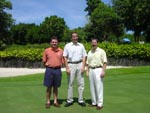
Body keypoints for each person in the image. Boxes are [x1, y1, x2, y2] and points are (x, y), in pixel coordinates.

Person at [63, 32, 87, 107]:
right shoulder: (67, 46)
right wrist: (67, 67)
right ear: (71, 38)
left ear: (77, 37)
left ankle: (81, 100)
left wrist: (83, 66)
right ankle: (69, 100)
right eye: (73, 37)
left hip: (80, 64)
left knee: (81, 83)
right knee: (70, 83)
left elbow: (84, 57)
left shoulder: (81, 45)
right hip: (71, 65)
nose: (75, 38)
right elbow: (65, 57)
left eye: (76, 36)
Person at [42, 36, 64, 108]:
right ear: (50, 43)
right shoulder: (46, 50)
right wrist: (47, 65)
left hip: (57, 70)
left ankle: (55, 101)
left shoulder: (61, 51)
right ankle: (48, 101)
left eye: (55, 42)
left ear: (58, 43)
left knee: (56, 87)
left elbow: (63, 61)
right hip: (49, 70)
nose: (54, 43)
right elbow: (44, 61)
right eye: (53, 42)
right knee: (49, 87)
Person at [86, 38, 107, 110]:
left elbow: (105, 62)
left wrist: (103, 71)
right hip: (91, 70)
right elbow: (87, 63)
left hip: (98, 69)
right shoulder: (89, 52)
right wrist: (87, 71)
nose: (93, 44)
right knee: (92, 87)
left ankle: (100, 104)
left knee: (99, 87)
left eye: (95, 42)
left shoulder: (101, 51)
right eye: (92, 42)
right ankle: (94, 102)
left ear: (97, 43)